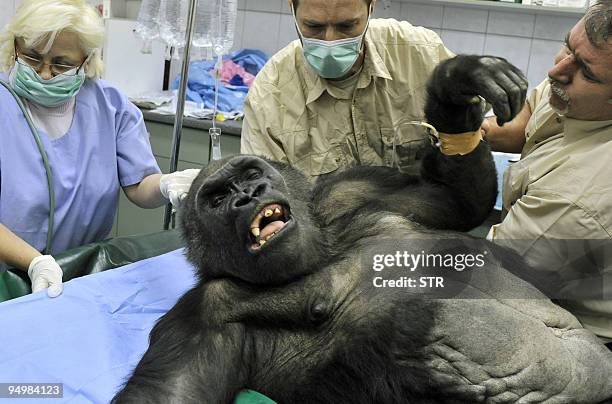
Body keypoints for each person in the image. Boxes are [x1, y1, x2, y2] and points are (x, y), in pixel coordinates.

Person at [0, 0, 198, 298]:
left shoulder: (110, 106)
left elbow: (139, 185)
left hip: (82, 278)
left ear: (87, 60)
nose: (43, 73)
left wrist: (166, 185)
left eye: (61, 63)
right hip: (8, 284)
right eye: (31, 57)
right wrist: (35, 263)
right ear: (13, 47)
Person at [484, 0, 612, 343]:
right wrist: (464, 133)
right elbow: (525, 121)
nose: (557, 70)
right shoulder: (575, 92)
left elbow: (488, 278)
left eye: (585, 71)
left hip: (572, 335)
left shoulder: (579, 199)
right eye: (567, 47)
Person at [241, 0, 458, 179]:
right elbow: (266, 198)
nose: (330, 42)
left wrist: (484, 126)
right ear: (292, 9)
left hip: (425, 226)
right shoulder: (270, 95)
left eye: (346, 26)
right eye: (313, 27)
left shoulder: (420, 53)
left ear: (371, 7)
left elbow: (477, 119)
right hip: (326, 232)